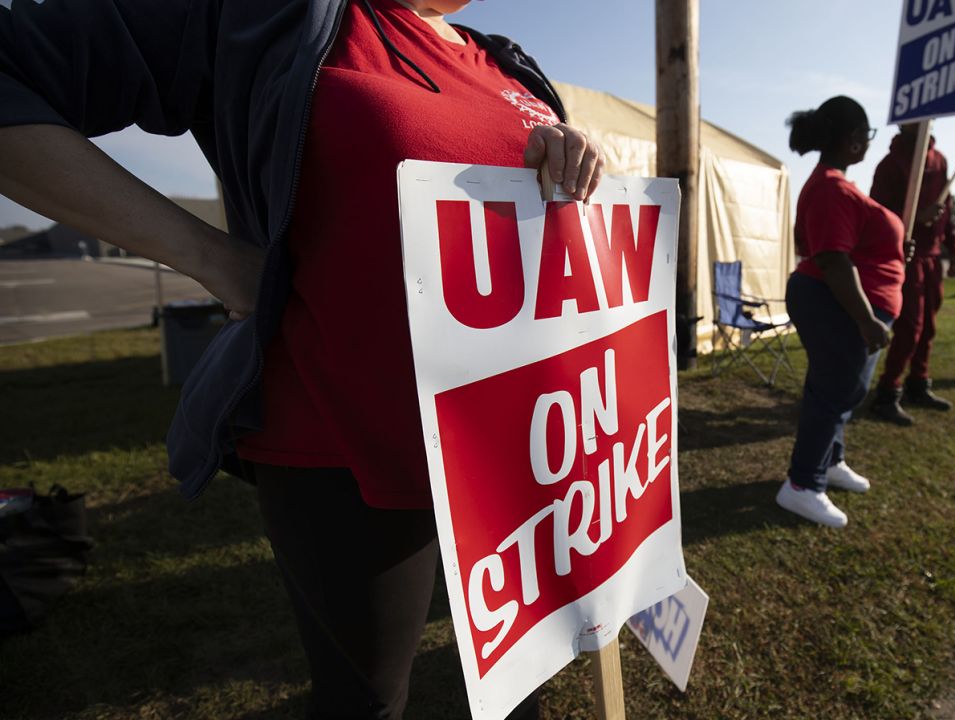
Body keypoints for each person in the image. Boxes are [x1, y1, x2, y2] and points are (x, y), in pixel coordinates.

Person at [0, 1, 603, 717]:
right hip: (342, 438)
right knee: (367, 696)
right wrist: (206, 253)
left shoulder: (508, 63)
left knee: (519, 670)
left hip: (517, 435)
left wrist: (572, 150)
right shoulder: (269, 15)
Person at [776, 96, 905, 528]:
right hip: (835, 300)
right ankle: (802, 485)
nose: (868, 144)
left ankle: (829, 462)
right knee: (835, 391)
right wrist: (867, 319)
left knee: (837, 388)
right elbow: (832, 258)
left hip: (836, 299)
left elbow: (847, 247)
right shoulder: (831, 186)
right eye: (867, 137)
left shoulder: (832, 185)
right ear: (853, 141)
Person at [867, 122, 955, 426]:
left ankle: (918, 383)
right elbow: (877, 215)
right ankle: (888, 391)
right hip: (904, 257)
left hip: (932, 258)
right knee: (910, 327)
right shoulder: (890, 164)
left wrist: (953, 248)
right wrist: (913, 218)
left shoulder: (939, 160)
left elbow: (946, 208)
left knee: (929, 326)